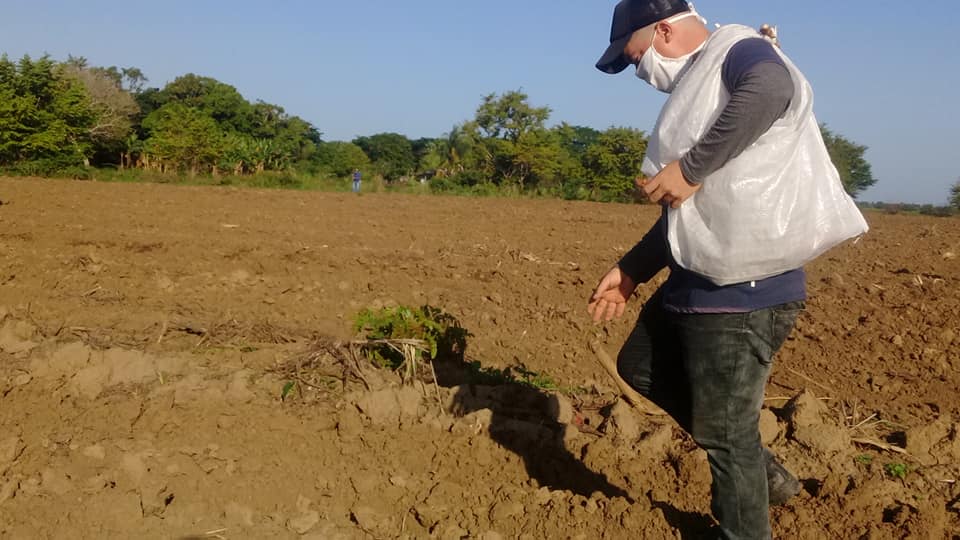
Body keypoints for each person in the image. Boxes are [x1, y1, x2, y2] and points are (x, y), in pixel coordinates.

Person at [586, 1, 859, 538]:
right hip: (697, 283)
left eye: (638, 60)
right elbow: (700, 212)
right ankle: (762, 473)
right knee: (641, 365)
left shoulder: (737, 51)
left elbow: (771, 88)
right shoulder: (702, 83)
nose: (642, 75)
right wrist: (631, 270)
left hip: (742, 294)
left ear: (664, 30)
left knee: (727, 432)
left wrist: (688, 168)